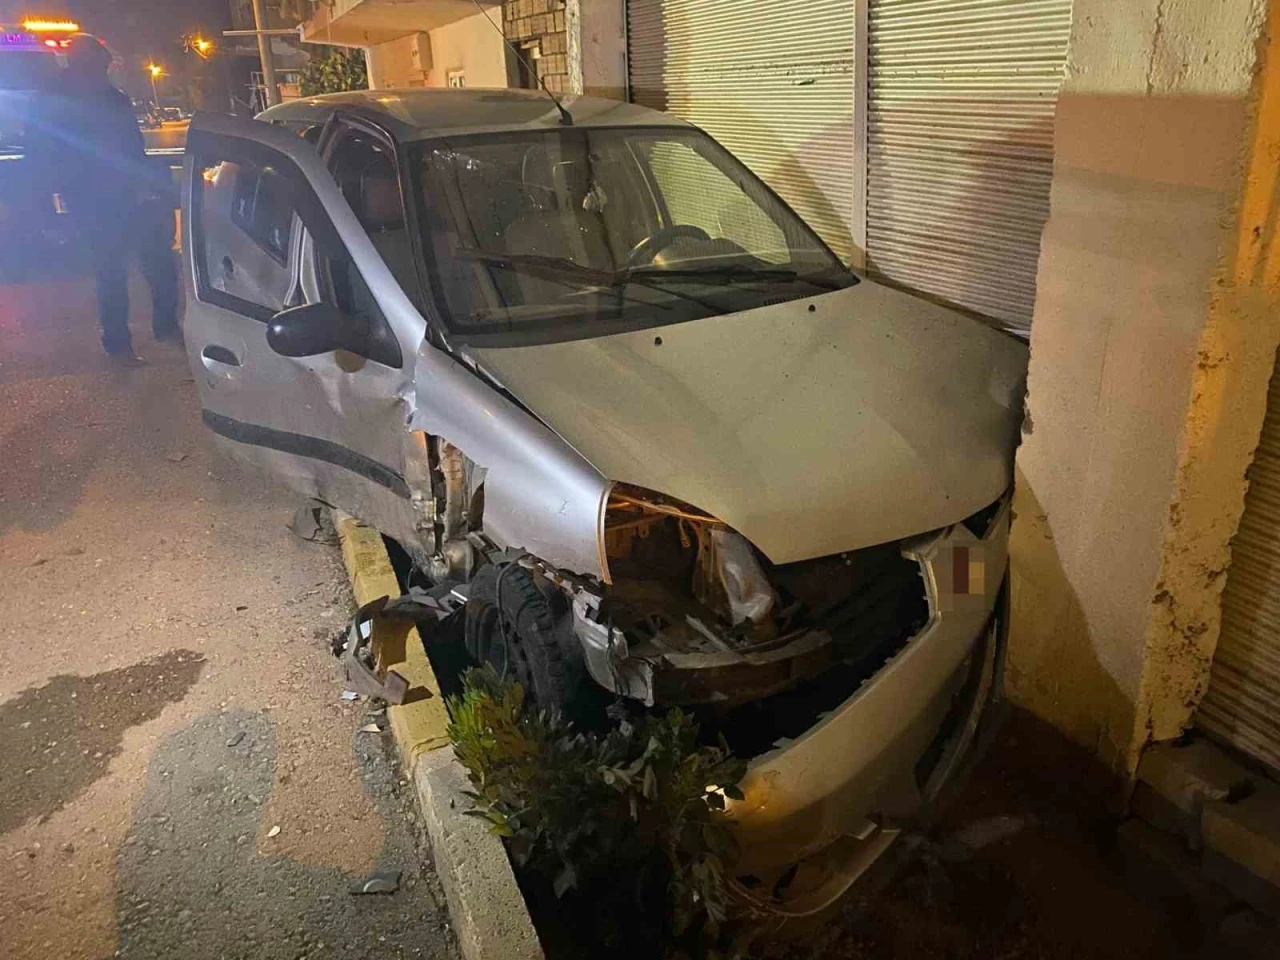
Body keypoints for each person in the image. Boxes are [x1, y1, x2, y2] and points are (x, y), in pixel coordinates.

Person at [25, 35, 179, 363]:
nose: (105, 71)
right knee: (117, 268)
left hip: (115, 194)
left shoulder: (100, 98)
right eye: (101, 65)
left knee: (144, 264)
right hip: (96, 196)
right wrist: (47, 208)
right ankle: (126, 339)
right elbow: (41, 157)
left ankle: (154, 330)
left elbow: (132, 148)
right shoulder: (60, 101)